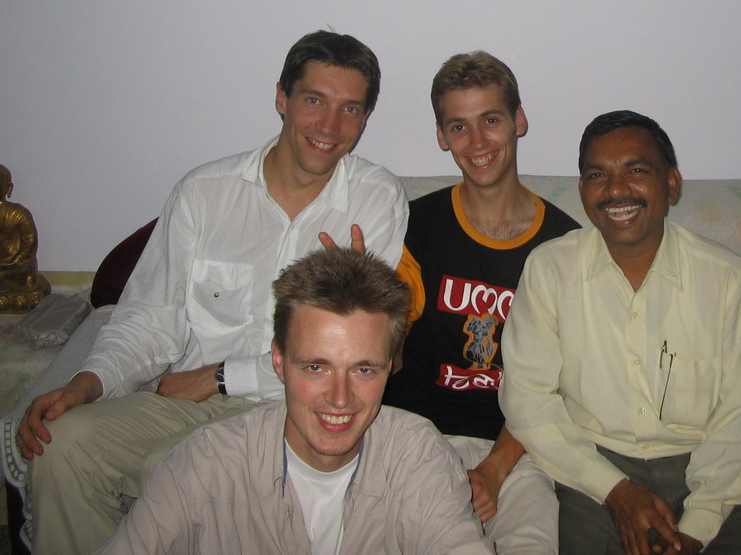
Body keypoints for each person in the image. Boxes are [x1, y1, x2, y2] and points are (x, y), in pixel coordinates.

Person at [16, 31, 409, 555]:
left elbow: (358, 360)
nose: (330, 127)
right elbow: (147, 319)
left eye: (350, 110)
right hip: (179, 400)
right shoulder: (204, 193)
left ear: (364, 120)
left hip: (289, 411)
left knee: (176, 469)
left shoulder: (375, 199)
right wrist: (87, 384)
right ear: (281, 99)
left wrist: (219, 378)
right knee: (61, 445)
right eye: (314, 100)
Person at [500, 110, 741, 555]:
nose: (615, 190)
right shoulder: (549, 269)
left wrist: (697, 527)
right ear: (582, 190)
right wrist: (615, 491)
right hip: (592, 469)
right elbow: (527, 399)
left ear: (671, 183)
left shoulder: (729, 279)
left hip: (710, 469)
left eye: (636, 170)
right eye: (598, 175)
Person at [96, 247, 492, 555]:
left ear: (389, 368)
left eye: (363, 370)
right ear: (279, 361)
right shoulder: (205, 464)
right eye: (316, 367)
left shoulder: (418, 456)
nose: (340, 399)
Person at [383, 51, 579, 554]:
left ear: (518, 121)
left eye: (490, 120)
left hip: (518, 447)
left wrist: (493, 469)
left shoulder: (566, 245)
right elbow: (389, 355)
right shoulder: (414, 227)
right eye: (459, 126)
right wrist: (367, 314)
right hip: (416, 437)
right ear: (441, 136)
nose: (477, 142)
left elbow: (560, 386)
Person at [0, 162, 51, 311]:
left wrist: (17, 259)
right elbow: (30, 241)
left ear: (9, 189)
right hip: (15, 264)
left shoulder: (19, 213)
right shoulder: (19, 212)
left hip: (17, 265)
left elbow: (30, 241)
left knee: (27, 272)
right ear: (9, 188)